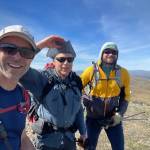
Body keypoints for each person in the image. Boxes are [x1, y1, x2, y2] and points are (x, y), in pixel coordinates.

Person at [20, 36, 87, 150]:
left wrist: (83, 132)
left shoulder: (77, 82)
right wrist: (40, 45)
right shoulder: (43, 79)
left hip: (69, 140)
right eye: (61, 59)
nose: (66, 63)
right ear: (53, 61)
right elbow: (19, 67)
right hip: (47, 142)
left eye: (70, 59)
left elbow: (78, 110)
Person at [80, 42, 131, 150]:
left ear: (117, 55)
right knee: (89, 147)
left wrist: (119, 114)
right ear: (101, 54)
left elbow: (126, 97)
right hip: (92, 118)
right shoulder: (91, 71)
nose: (110, 54)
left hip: (112, 118)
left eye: (114, 52)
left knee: (119, 147)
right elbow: (77, 88)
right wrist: (85, 98)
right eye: (107, 51)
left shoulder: (123, 73)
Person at [0, 25, 38, 150]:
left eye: (26, 52)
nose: (17, 57)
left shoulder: (23, 96)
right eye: (8, 49)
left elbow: (21, 137)